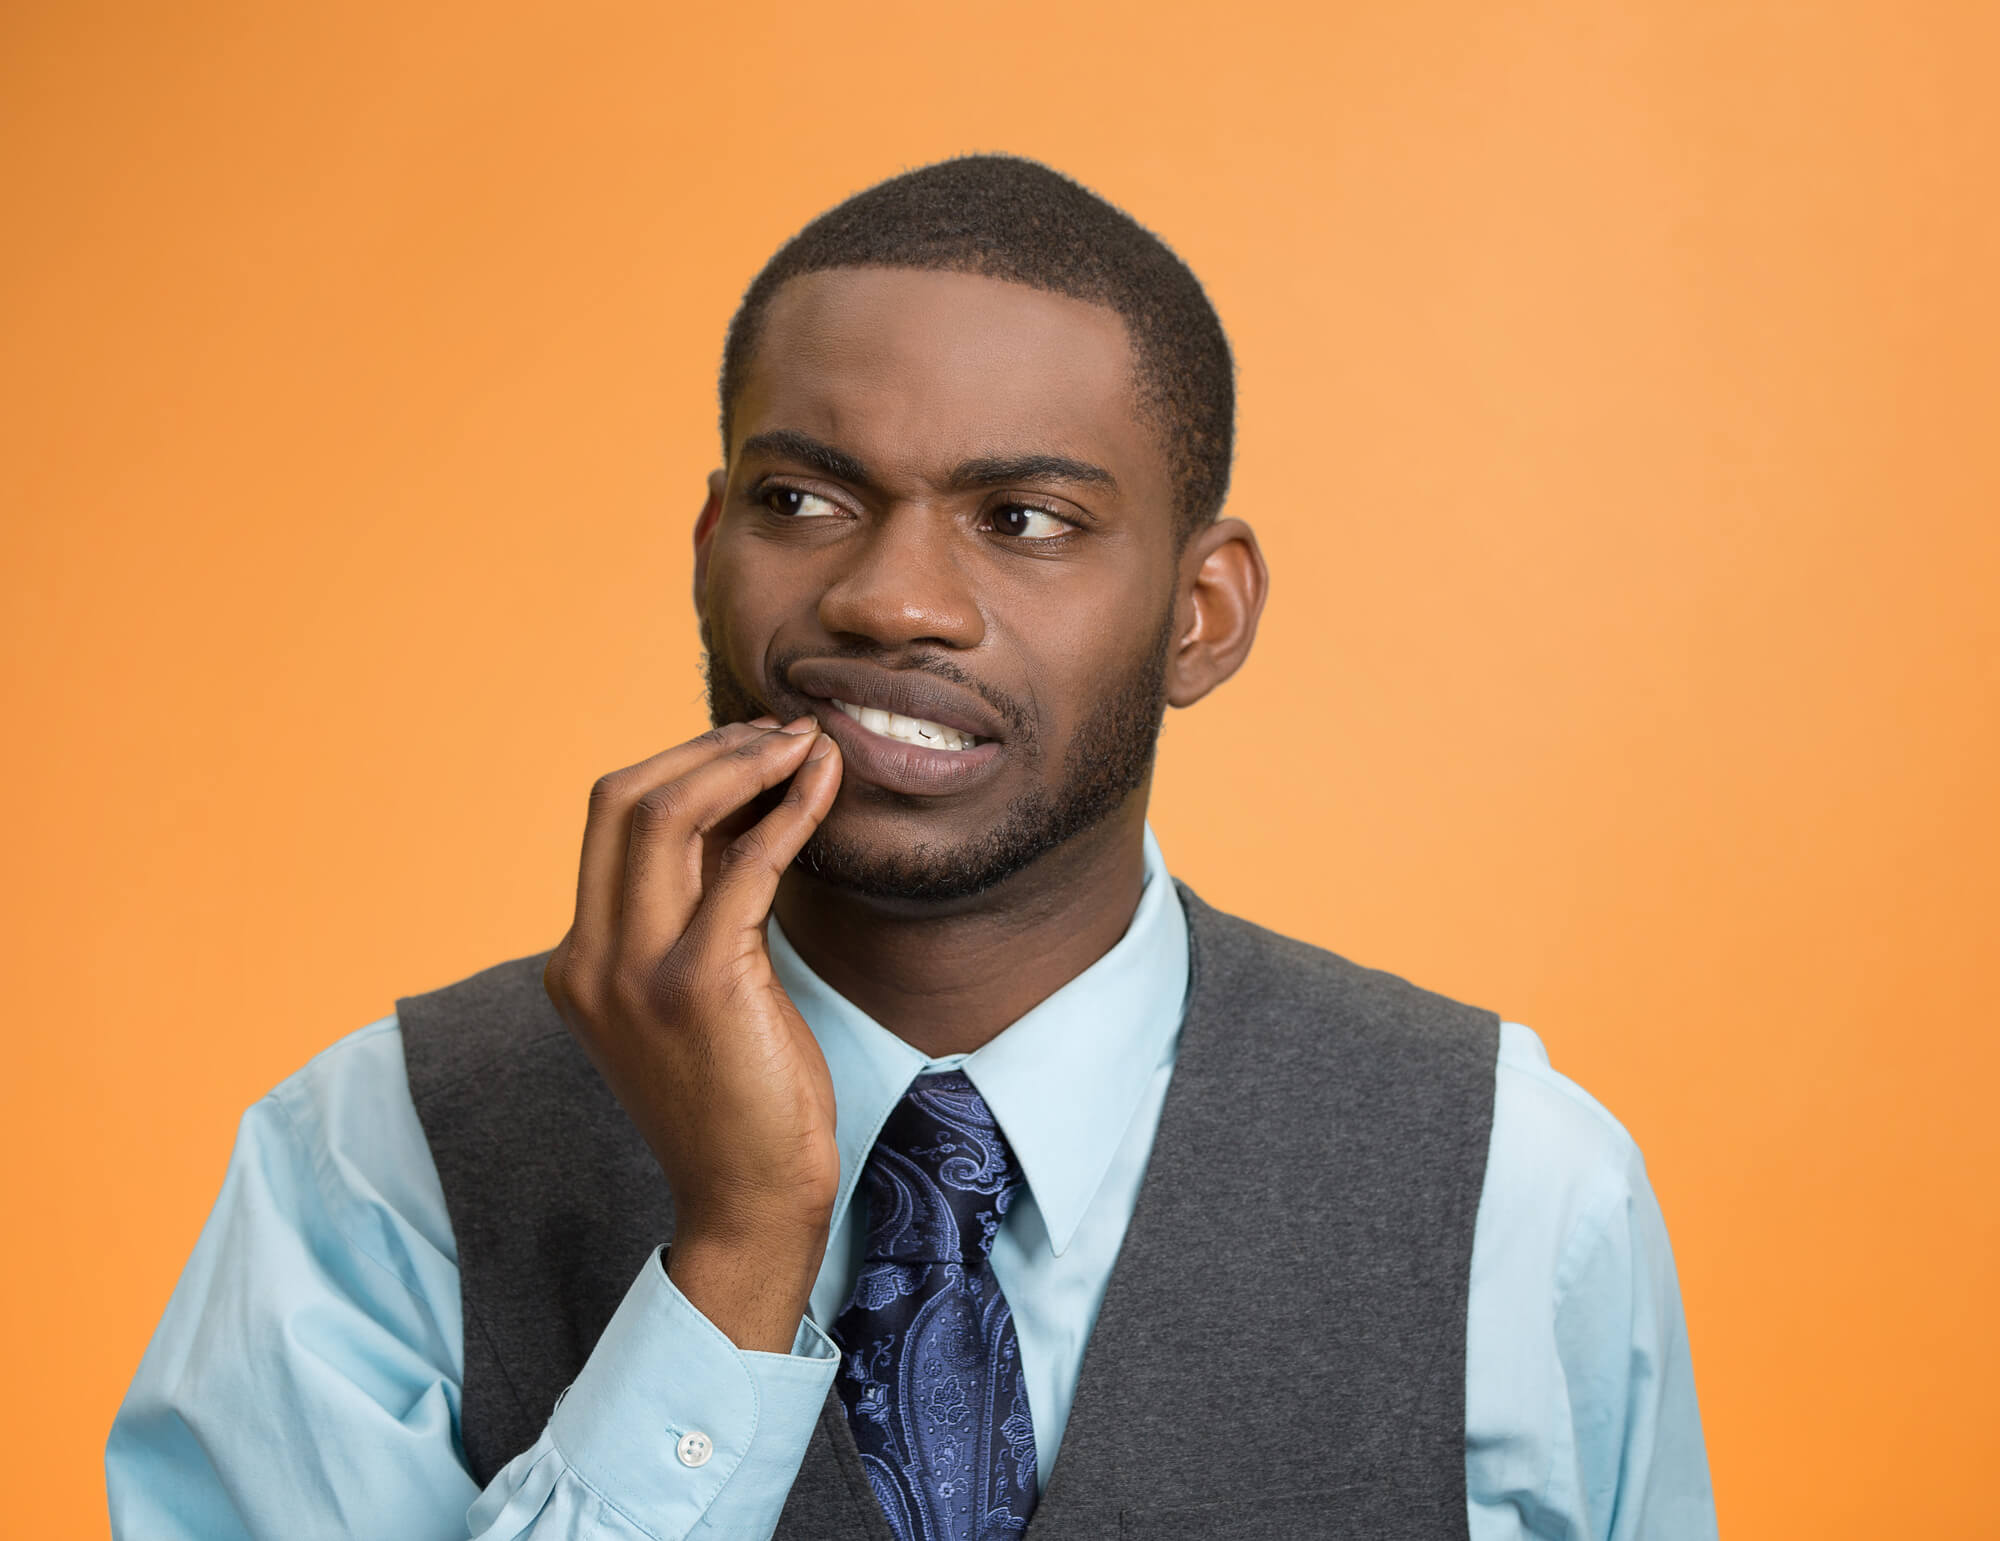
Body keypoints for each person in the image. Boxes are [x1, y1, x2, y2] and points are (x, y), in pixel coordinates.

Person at [107, 155, 1718, 1540]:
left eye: (1023, 519)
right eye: (804, 497)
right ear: (707, 544)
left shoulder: (1519, 1189)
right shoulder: (375, 1167)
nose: (890, 599)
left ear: (1203, 613)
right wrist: (737, 1253)